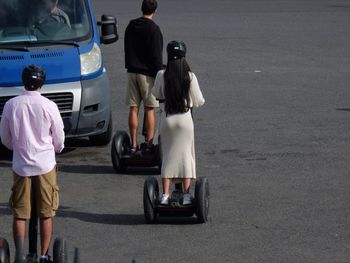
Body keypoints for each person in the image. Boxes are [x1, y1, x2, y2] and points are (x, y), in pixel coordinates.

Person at [0, 65, 65, 263]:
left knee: (20, 213)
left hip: (21, 166)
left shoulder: (11, 104)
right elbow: (59, 138)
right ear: (41, 83)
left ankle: (20, 254)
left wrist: (19, 148)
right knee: (46, 213)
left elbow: (5, 138)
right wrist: (54, 149)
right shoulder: (49, 105)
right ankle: (44, 255)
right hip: (44, 165)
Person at [152, 41, 205, 205]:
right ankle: (187, 195)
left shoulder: (162, 74)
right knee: (186, 156)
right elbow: (199, 101)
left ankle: (165, 195)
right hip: (184, 119)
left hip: (168, 119)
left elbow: (156, 94)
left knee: (168, 156)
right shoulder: (189, 76)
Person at [124, 0, 163, 154]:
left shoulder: (131, 25)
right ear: (155, 10)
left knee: (133, 109)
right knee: (149, 109)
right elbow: (156, 56)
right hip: (147, 75)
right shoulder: (154, 29)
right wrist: (159, 74)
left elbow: (127, 47)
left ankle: (133, 144)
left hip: (131, 71)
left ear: (142, 9)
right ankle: (149, 144)